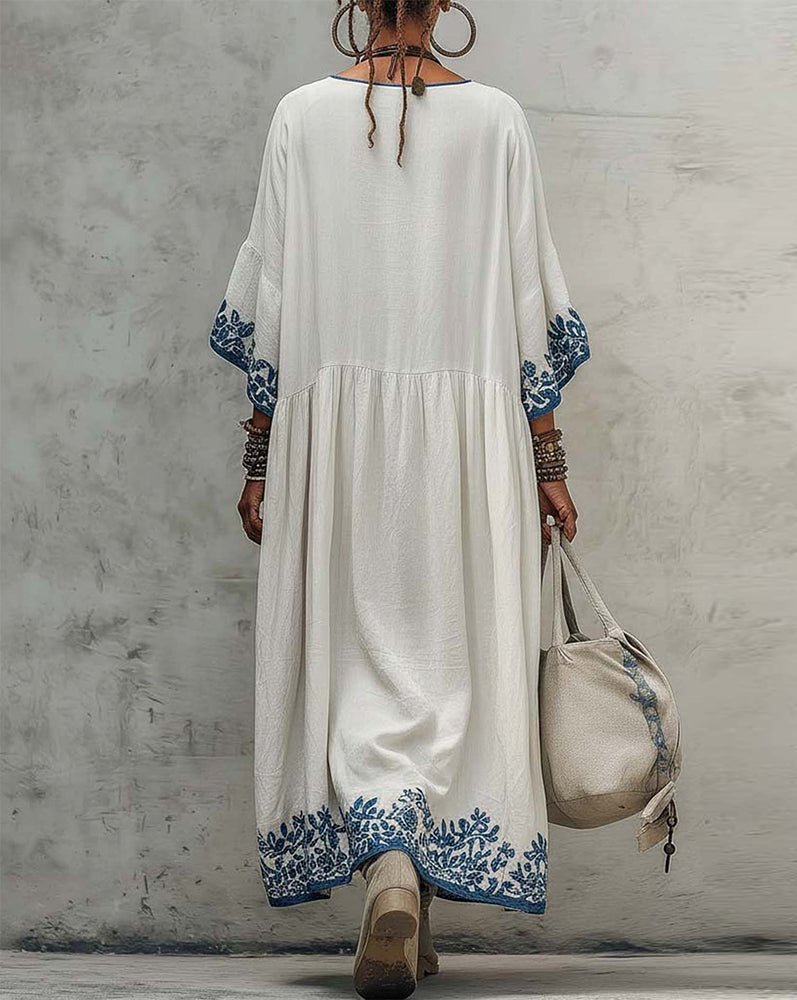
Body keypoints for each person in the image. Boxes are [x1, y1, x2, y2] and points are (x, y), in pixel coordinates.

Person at [209, 2, 591, 996]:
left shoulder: (299, 117)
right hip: (466, 460)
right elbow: (526, 308)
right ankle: (404, 880)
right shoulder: (497, 121)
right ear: (441, 5)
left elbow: (271, 308)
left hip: (334, 459)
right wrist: (548, 464)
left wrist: (259, 459)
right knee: (450, 668)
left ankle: (389, 874)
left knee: (350, 666)